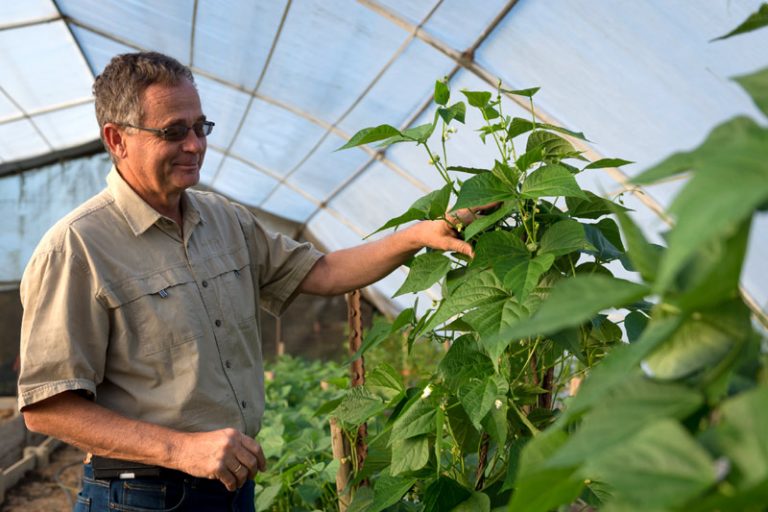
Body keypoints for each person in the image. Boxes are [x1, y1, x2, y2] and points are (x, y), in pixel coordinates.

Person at [16, 52, 475, 511]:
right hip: (142, 495)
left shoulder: (223, 219)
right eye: (174, 132)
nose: (195, 145)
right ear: (117, 140)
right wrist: (182, 449)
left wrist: (417, 236)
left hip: (232, 485)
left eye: (201, 127)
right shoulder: (78, 248)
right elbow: (47, 407)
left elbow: (323, 271)